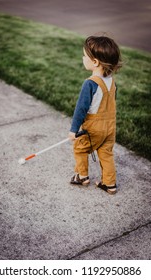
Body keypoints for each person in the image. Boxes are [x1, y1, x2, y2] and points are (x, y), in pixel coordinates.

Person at [68, 35, 122, 194]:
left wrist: (73, 130)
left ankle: (82, 176)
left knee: (80, 148)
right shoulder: (111, 81)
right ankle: (109, 184)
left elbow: (81, 109)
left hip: (94, 127)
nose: (83, 58)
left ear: (95, 62)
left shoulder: (90, 83)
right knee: (106, 154)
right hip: (110, 127)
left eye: (85, 56)